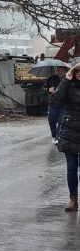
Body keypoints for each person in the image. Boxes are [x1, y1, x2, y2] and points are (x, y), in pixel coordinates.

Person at [50, 63, 80, 212]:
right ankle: (73, 199)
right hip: (70, 130)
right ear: (73, 72)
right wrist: (66, 80)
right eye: (77, 71)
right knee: (71, 167)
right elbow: (56, 100)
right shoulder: (68, 84)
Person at [46, 66, 68, 144]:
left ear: (65, 71)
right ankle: (54, 135)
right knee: (52, 121)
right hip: (52, 104)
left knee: (61, 121)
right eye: (58, 70)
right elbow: (44, 88)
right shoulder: (51, 79)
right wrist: (48, 89)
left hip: (63, 104)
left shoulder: (68, 79)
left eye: (62, 70)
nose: (60, 72)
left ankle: (58, 137)